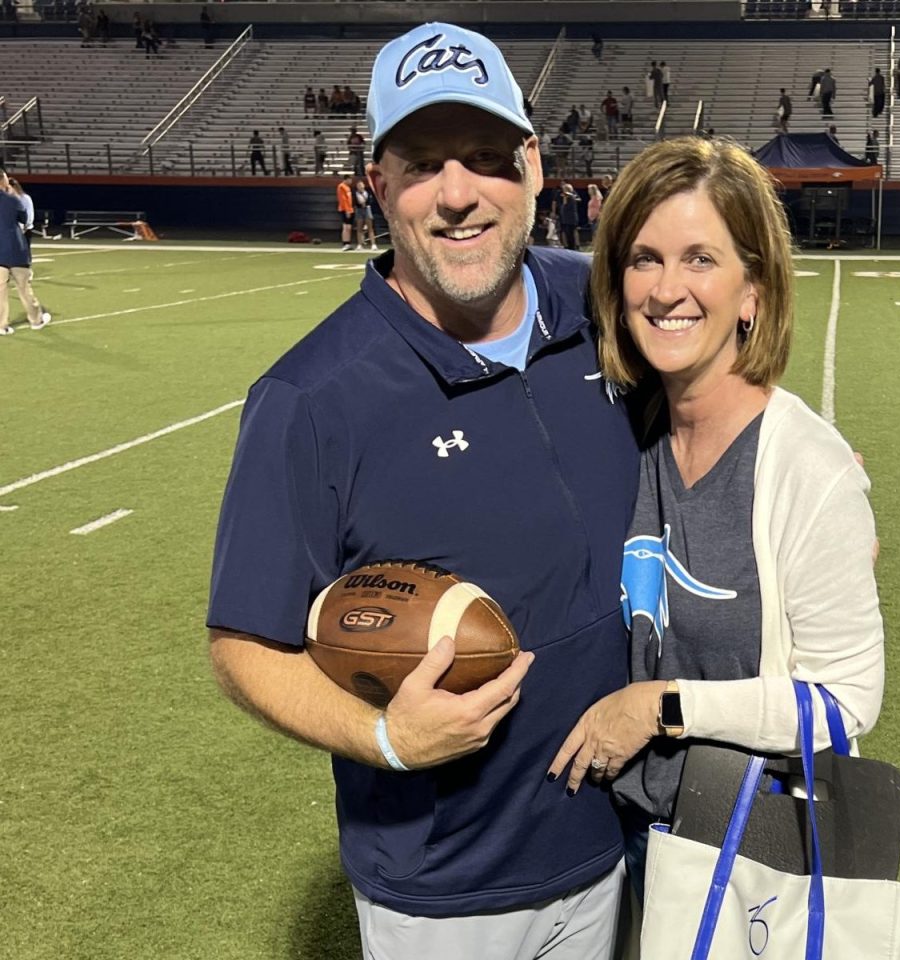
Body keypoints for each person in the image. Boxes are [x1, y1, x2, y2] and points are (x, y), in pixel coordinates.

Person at [207, 21, 638, 959]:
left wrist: (805, 472)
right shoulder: (309, 399)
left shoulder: (603, 305)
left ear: (531, 165)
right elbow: (242, 643)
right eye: (422, 163)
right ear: (378, 182)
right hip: (443, 893)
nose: (457, 195)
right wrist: (385, 738)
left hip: (622, 842)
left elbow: (721, 368)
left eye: (484, 157)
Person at [548, 136, 884, 902]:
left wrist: (661, 708)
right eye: (644, 259)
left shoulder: (805, 466)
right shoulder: (624, 428)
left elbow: (843, 702)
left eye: (701, 258)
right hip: (627, 832)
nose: (668, 289)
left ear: (753, 291)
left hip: (752, 846)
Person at [0, 170, 50, 336]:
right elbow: (24, 218)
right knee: (24, 287)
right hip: (15, 250)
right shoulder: (11, 200)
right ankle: (35, 320)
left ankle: (2, 325)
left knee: (0, 290)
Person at [352, 177, 378, 251]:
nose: (360, 187)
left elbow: (370, 201)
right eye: (358, 185)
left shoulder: (367, 192)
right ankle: (360, 244)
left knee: (370, 228)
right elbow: (354, 202)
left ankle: (373, 244)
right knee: (359, 228)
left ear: (363, 185)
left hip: (367, 209)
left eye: (361, 185)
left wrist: (365, 203)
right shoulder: (355, 193)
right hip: (359, 210)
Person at [556, 181, 580, 251]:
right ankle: (569, 246)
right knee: (567, 232)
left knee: (570, 233)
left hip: (570, 217)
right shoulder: (566, 196)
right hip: (566, 217)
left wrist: (566, 197)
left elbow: (565, 205)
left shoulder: (571, 196)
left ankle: (572, 247)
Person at [336, 171, 354, 250]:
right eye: (350, 179)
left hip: (350, 209)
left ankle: (348, 242)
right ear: (346, 179)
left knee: (349, 227)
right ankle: (345, 243)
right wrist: (347, 210)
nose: (351, 181)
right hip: (345, 209)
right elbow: (343, 199)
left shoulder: (348, 187)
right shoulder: (341, 187)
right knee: (346, 226)